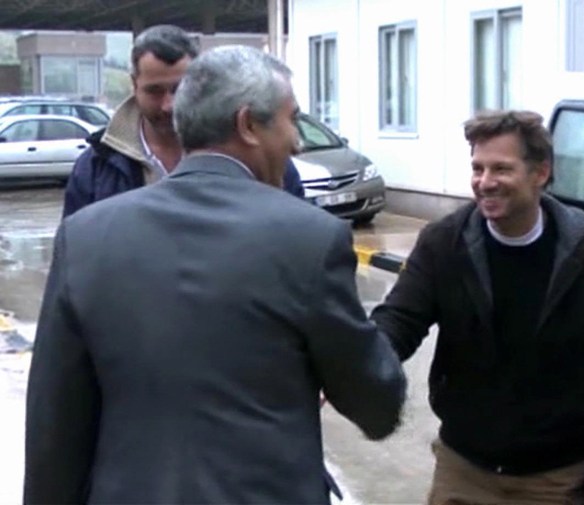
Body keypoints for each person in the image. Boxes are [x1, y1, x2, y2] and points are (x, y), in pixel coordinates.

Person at [24, 45, 406, 505]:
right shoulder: (310, 238)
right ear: (248, 124)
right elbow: (376, 403)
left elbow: (55, 423)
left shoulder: (86, 237)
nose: (297, 141)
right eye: (291, 119)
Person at [370, 110, 584, 505]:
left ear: (540, 173)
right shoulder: (444, 244)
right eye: (477, 168)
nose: (484, 183)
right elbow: (400, 319)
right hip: (463, 470)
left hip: (556, 477)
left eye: (501, 169)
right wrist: (357, 364)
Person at [62, 24, 304, 218]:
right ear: (134, 85)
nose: (169, 105)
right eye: (155, 91)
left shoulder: (257, 156)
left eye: (178, 89)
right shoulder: (96, 167)